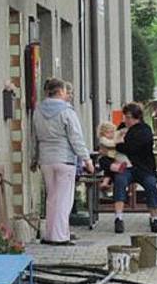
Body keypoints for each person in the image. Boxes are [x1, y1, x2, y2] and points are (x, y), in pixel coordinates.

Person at [32, 78, 93, 246]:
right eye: (66, 91)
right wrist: (87, 159)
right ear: (60, 92)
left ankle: (51, 234)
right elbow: (76, 138)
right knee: (64, 200)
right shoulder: (67, 112)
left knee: (52, 198)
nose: (68, 95)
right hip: (64, 159)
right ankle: (60, 236)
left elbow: (34, 137)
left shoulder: (38, 111)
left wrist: (34, 158)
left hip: (46, 160)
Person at [112, 102, 157, 234]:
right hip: (127, 167)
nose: (125, 120)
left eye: (128, 117)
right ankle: (118, 218)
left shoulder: (145, 129)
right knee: (119, 181)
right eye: (125, 117)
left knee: (151, 185)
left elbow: (130, 147)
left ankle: (155, 218)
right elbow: (115, 141)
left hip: (144, 167)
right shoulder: (122, 127)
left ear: (136, 117)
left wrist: (120, 144)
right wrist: (120, 144)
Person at [96, 121, 131, 189]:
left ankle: (106, 183)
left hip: (113, 159)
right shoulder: (103, 139)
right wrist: (117, 142)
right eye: (109, 132)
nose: (111, 134)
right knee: (105, 164)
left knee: (109, 172)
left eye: (112, 132)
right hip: (106, 158)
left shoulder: (113, 138)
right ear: (102, 133)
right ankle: (108, 180)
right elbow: (109, 144)